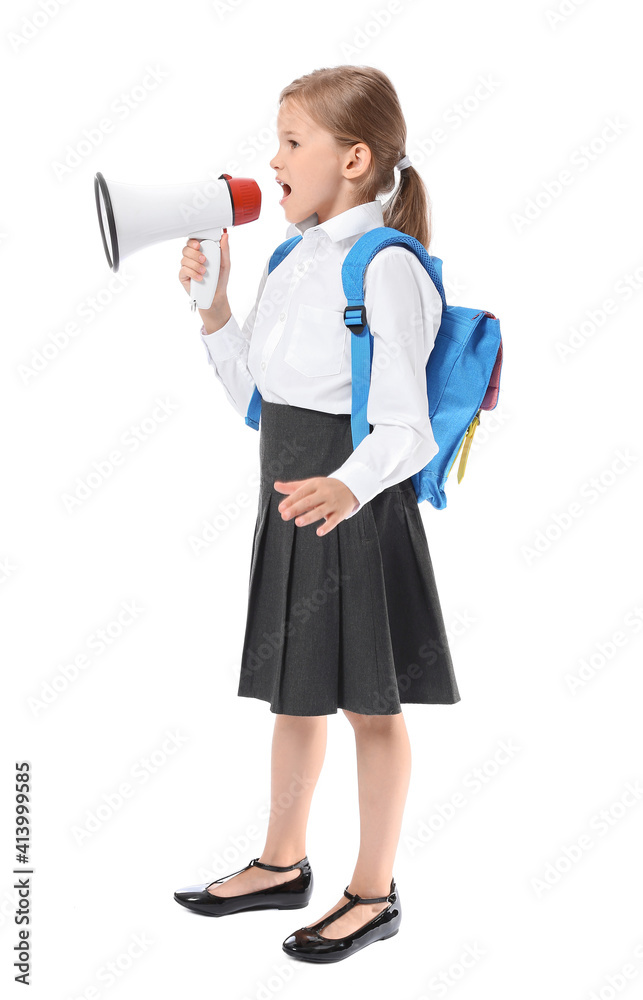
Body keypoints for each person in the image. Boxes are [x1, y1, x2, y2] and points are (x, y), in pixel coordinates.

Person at [173, 65, 460, 964]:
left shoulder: (387, 270)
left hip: (357, 513)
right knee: (295, 696)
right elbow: (260, 403)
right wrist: (214, 308)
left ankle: (372, 894)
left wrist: (349, 484)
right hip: (291, 503)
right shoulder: (294, 258)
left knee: (370, 707)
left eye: (292, 141)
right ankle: (281, 863)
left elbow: (409, 427)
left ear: (355, 158)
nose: (274, 158)